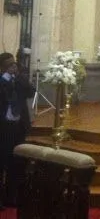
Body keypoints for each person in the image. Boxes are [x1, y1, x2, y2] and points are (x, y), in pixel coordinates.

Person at [0, 52, 35, 208]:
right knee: (2, 163)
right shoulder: (2, 81)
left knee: (16, 163)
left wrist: (20, 76)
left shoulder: (19, 80)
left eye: (14, 64)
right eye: (9, 65)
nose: (13, 67)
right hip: (3, 128)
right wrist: (6, 78)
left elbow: (31, 92)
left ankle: (11, 197)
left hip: (18, 126)